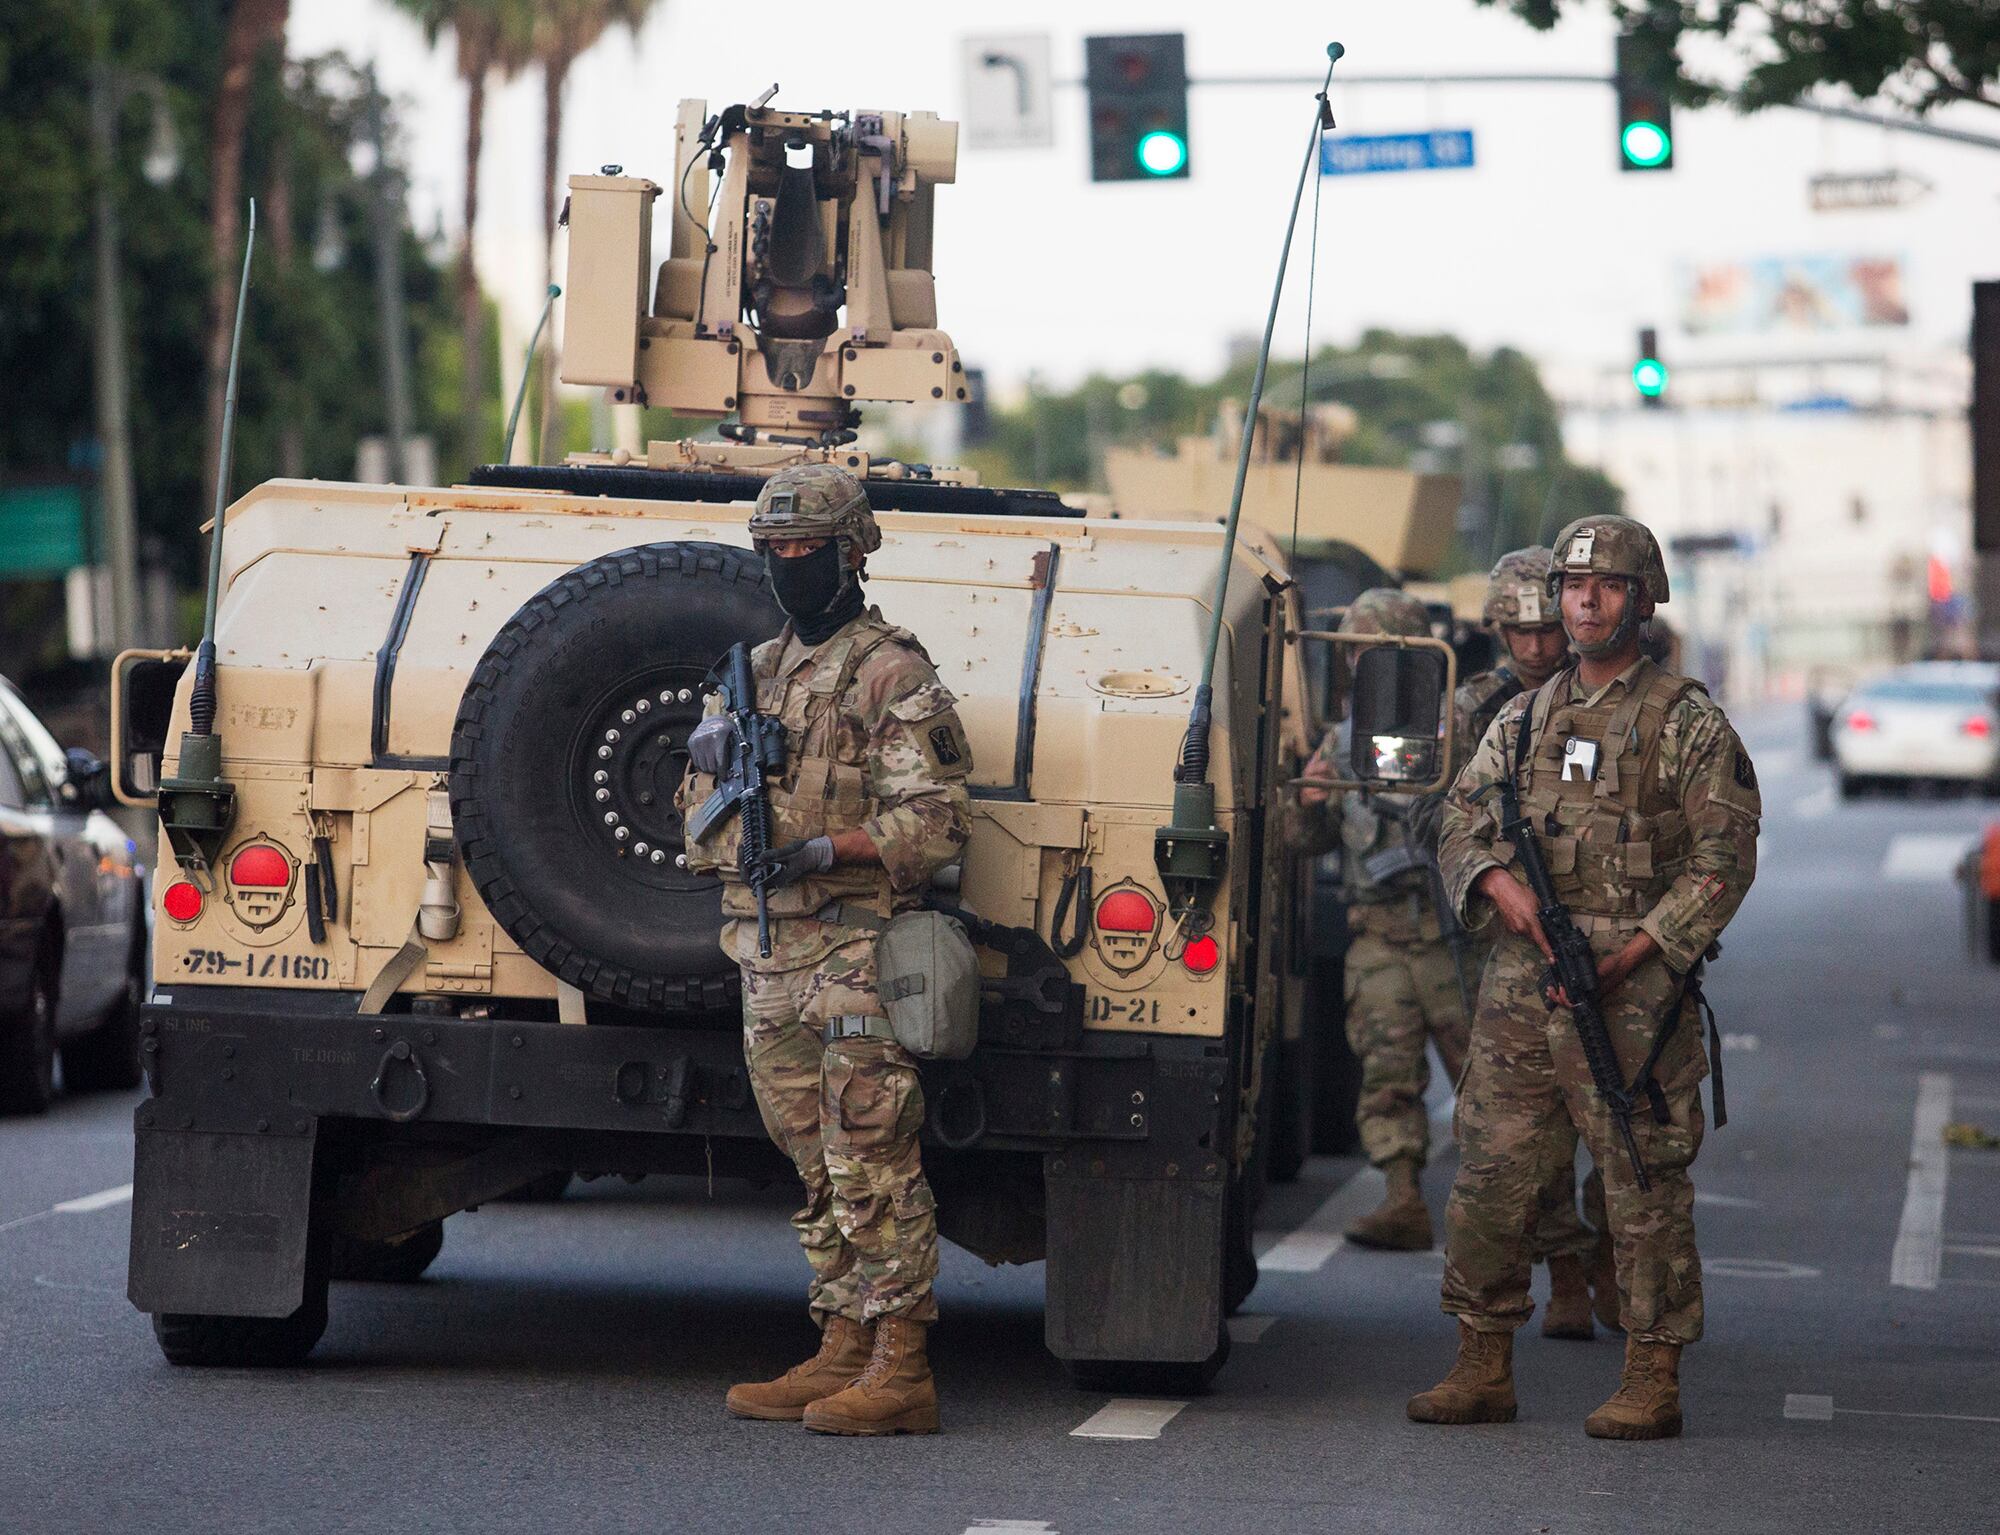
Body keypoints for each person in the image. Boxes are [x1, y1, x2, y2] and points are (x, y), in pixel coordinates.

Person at [1408, 515, 1760, 1440]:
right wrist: (1497, 885)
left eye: (1606, 585)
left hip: (1635, 995)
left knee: (1641, 1184)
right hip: (1524, 983)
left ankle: (1653, 1373)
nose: (1585, 600)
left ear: (1641, 601)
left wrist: (1639, 953)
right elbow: (1459, 817)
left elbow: (1724, 859)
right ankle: (1482, 1360)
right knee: (1491, 1174)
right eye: (1573, 585)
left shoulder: (1684, 721)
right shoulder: (1522, 718)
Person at [678, 464, 973, 1436]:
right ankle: (843, 1337)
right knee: (810, 1156)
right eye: (774, 551)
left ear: (852, 553)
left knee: (869, 1148)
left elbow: (933, 826)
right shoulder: (754, 672)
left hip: (857, 944)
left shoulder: (890, 670)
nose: (788, 566)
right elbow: (692, 817)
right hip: (769, 948)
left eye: (806, 549)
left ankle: (902, 1363)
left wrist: (824, 846)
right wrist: (731, 814)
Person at [1440, 548, 1608, 1342]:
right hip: (1511, 939)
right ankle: (1564, 1269)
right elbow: (1443, 816)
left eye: (1547, 629)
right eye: (1519, 632)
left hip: (1613, 938)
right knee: (1521, 1132)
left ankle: (1613, 1252)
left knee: (1617, 1112)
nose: (1536, 647)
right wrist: (1493, 875)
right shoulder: (1483, 709)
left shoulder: (1612, 696)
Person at [1296, 588, 1466, 1251]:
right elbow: (1304, 838)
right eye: (1361, 654)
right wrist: (1310, 802)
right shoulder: (1341, 744)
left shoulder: (1462, 731)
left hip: (1452, 937)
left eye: (1385, 652)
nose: (1372, 665)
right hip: (1380, 937)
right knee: (1386, 1077)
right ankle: (1402, 1199)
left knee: (1495, 1096)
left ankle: (1549, 1242)